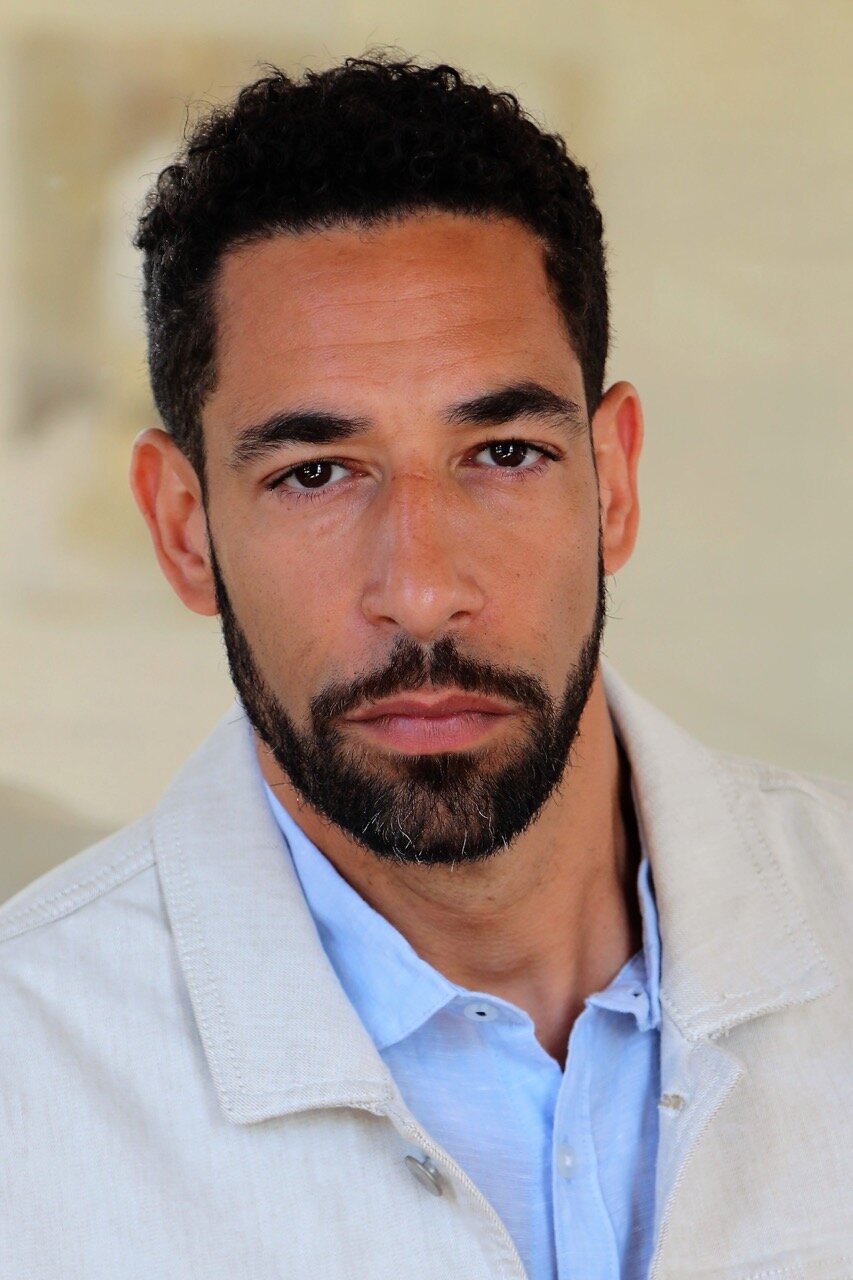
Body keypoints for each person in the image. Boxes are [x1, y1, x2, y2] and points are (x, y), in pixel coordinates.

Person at [1, 56, 850, 1280]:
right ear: (184, 529)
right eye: (313, 473)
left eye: (502, 452)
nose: (420, 588)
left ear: (612, 482)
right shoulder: (28, 1086)